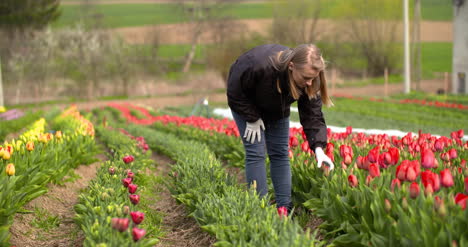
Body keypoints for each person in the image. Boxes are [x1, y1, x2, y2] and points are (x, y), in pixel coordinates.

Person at [226, 43, 335, 216]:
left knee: (280, 153)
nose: (309, 82)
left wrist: (319, 149)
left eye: (313, 78)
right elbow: (234, 91)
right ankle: (258, 209)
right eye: (306, 77)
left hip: (278, 107)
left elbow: (312, 115)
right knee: (256, 152)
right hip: (246, 103)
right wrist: (252, 118)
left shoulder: (310, 80)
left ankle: (285, 209)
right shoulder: (258, 65)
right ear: (291, 66)